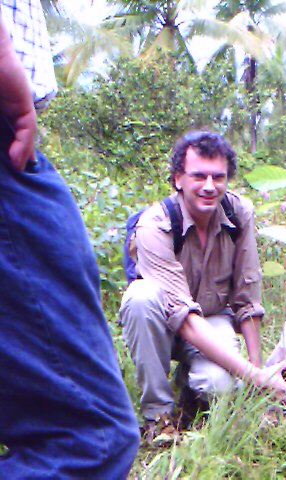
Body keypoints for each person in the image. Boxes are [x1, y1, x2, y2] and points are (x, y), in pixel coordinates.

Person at [0, 1, 139, 477]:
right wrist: (8, 78)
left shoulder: (237, 219)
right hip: (8, 138)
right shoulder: (156, 222)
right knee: (91, 437)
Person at [120, 130, 286, 443]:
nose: (209, 186)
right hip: (161, 325)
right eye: (199, 176)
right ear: (178, 179)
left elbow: (247, 295)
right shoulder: (154, 225)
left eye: (218, 177)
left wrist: (256, 371)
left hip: (212, 316)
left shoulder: (238, 213)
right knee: (140, 297)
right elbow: (182, 317)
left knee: (221, 386)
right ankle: (158, 416)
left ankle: (190, 384)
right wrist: (257, 377)